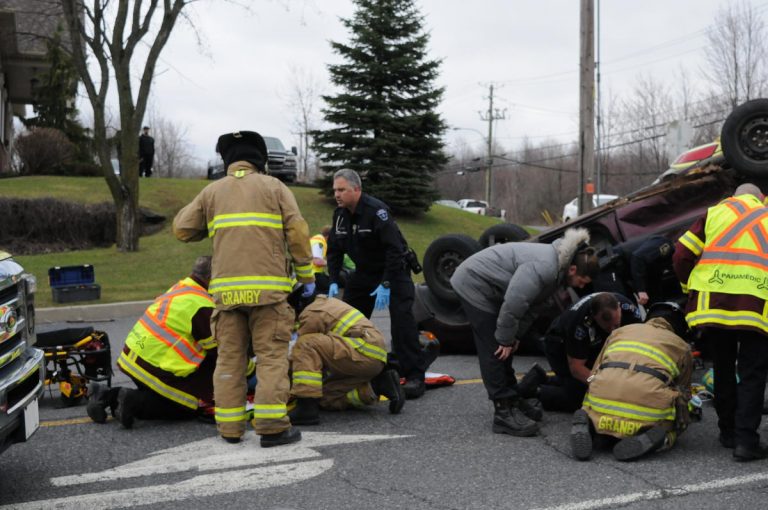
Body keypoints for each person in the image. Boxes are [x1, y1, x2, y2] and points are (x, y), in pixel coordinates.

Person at [173, 130, 315, 448]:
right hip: (270, 294)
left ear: (228, 161)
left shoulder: (212, 193)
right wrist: (306, 278)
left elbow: (182, 228)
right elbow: (297, 232)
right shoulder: (275, 187)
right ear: (260, 160)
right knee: (271, 357)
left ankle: (230, 428)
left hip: (226, 297)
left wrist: (212, 225)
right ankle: (271, 426)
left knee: (229, 360)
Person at [450, 227, 599, 437]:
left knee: (506, 346)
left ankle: (512, 398)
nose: (582, 286)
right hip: (473, 283)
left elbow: (532, 307)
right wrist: (504, 338)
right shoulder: (546, 267)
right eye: (582, 281)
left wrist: (515, 336)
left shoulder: (557, 272)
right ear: (573, 270)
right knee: (494, 348)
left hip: (492, 288)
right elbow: (514, 302)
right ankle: (502, 411)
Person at [86, 256, 251, 427]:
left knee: (161, 395)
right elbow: (222, 351)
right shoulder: (202, 305)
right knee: (184, 407)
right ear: (211, 278)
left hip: (133, 357)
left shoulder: (181, 288)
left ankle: (105, 396)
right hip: (154, 367)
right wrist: (251, 371)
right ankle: (130, 402)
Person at [673, 182, 768, 461]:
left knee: (724, 367)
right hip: (756, 307)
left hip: (713, 306)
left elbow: (681, 254)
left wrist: (687, 287)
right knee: (753, 374)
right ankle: (746, 441)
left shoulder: (714, 213)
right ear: (760, 198)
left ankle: (727, 432)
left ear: (733, 198)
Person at [326, 168, 426, 399]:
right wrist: (332, 280)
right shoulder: (339, 215)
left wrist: (387, 284)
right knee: (346, 321)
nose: (337, 195)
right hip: (364, 273)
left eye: (342, 190)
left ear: (356, 189)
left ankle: (414, 376)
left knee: (402, 321)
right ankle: (349, 369)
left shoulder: (376, 211)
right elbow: (334, 251)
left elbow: (395, 249)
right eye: (335, 190)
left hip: (394, 271)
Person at [570, 302, 696, 461]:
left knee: (596, 385)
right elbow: (684, 393)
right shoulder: (682, 346)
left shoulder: (620, 332)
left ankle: (593, 426)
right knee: (675, 420)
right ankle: (662, 437)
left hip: (602, 398)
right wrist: (684, 419)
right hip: (647, 409)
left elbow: (594, 373)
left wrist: (592, 384)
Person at [287, 287, 405, 425]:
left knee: (305, 344)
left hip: (364, 352)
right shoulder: (324, 303)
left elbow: (301, 356)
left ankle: (306, 407)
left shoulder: (311, 312)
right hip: (369, 358)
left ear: (297, 303)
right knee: (324, 398)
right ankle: (377, 386)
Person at [518, 292, 641, 413]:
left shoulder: (629, 310)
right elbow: (577, 369)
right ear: (594, 317)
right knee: (582, 394)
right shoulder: (580, 324)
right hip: (559, 345)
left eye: (616, 325)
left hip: (591, 344)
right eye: (607, 328)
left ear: (619, 308)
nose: (612, 331)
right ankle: (536, 391)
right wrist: (600, 384)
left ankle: (541, 377)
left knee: (598, 377)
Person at [310, 226, 331, 294]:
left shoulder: (315, 239)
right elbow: (317, 261)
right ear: (329, 236)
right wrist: (331, 263)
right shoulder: (319, 243)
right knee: (329, 285)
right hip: (313, 274)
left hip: (311, 273)